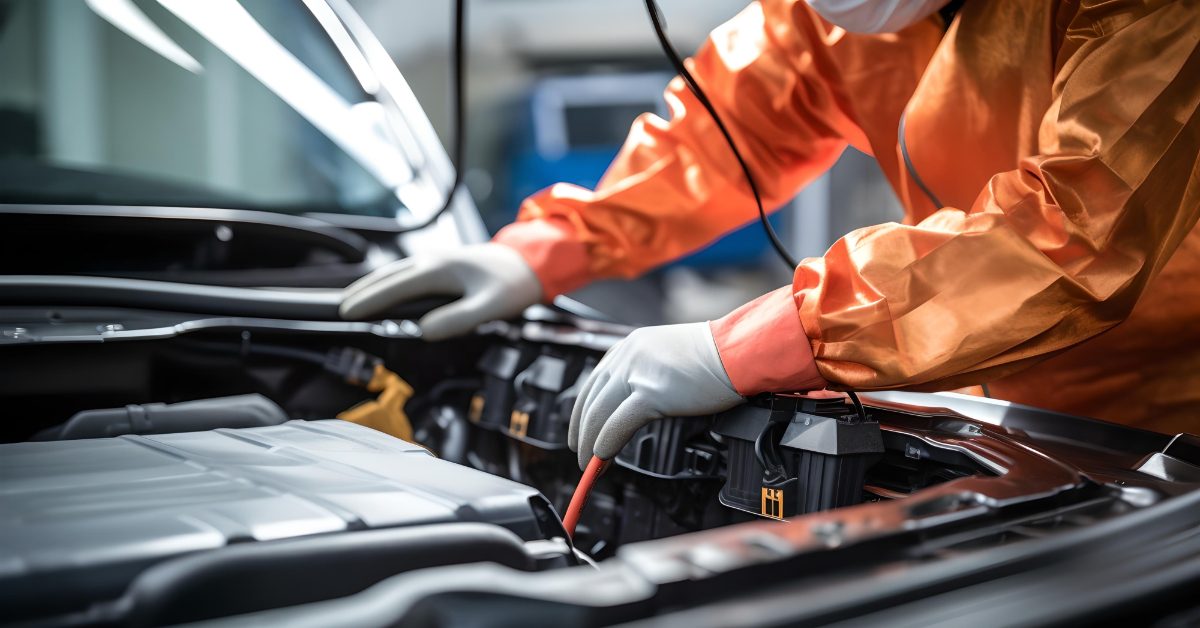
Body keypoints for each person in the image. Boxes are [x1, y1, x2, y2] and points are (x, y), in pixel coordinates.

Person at [342, 0, 1200, 470]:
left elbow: (1076, 230)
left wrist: (760, 342)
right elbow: (719, 136)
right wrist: (539, 252)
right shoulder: (823, 17)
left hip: (1170, 416)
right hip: (983, 397)